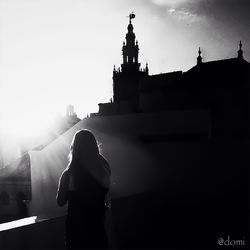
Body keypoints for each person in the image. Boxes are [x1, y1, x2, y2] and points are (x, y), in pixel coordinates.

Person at [56, 129, 111, 249]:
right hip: (98, 230)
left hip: (77, 234)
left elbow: (60, 201)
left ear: (74, 148)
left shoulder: (70, 174)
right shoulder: (104, 168)